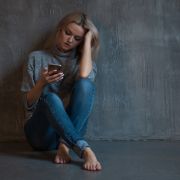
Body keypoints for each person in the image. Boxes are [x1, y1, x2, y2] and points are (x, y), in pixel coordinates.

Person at [20, 11, 102, 171]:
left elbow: (84, 76)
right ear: (59, 29)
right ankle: (84, 149)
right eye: (67, 33)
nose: (70, 40)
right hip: (40, 134)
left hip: (70, 131)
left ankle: (65, 145)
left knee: (86, 85)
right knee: (51, 98)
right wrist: (42, 83)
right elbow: (27, 104)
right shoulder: (36, 58)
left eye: (77, 38)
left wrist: (87, 42)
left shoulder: (84, 64)